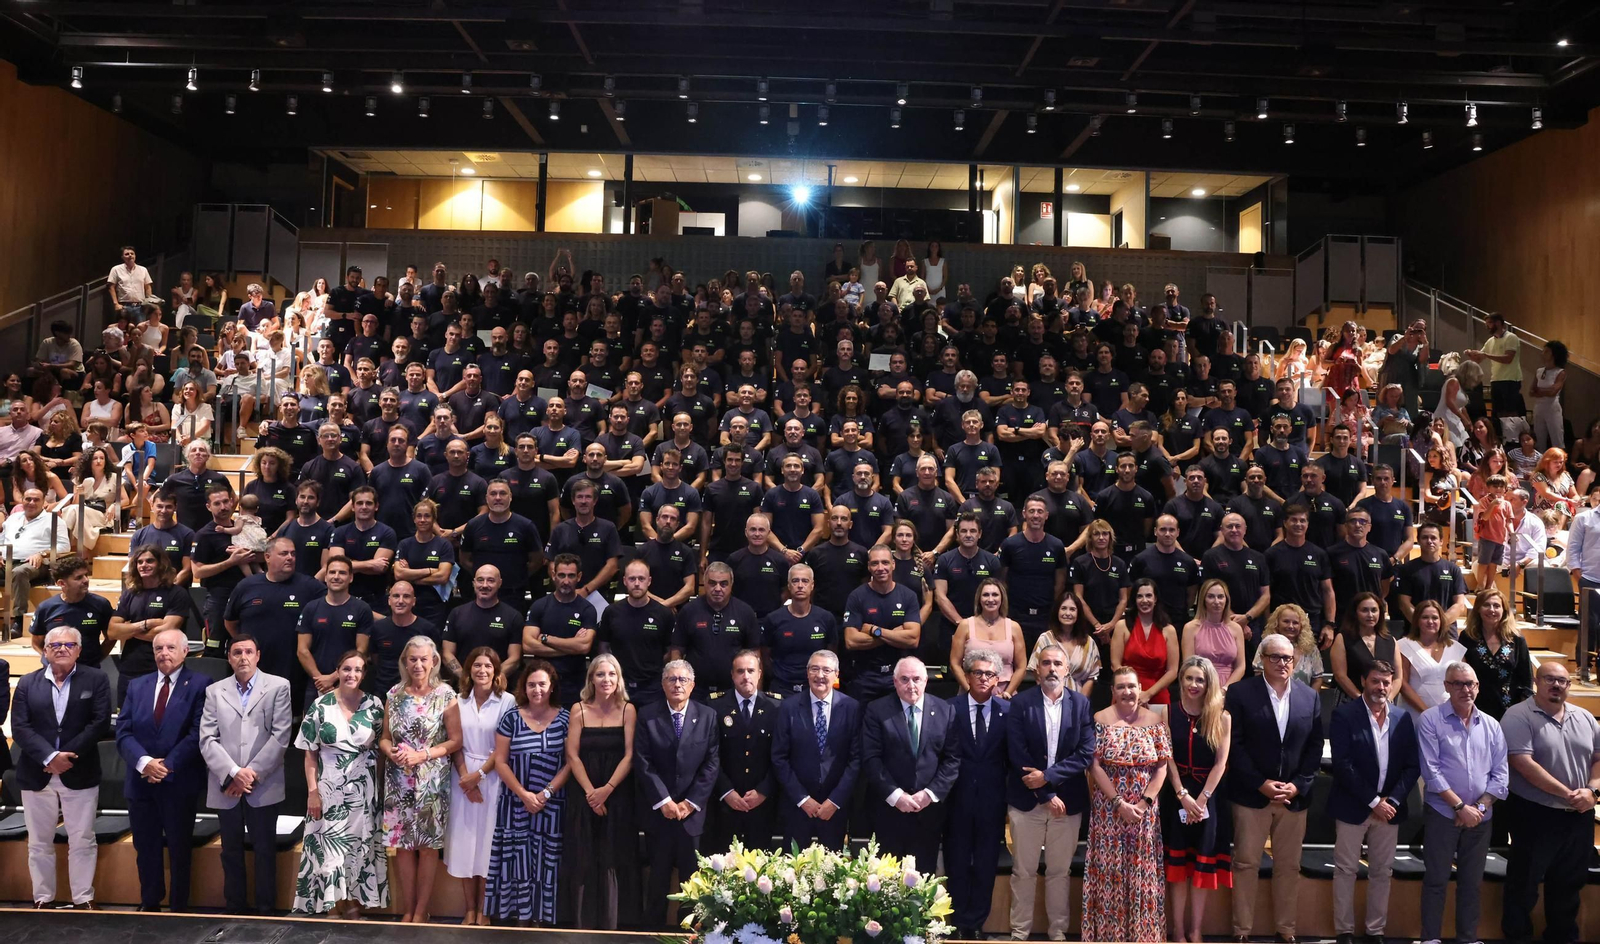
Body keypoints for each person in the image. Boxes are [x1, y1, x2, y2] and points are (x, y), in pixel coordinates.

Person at [1225, 633, 1324, 943]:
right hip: (1251, 795)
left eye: (1288, 658)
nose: (1283, 663)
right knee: (1245, 864)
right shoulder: (1241, 694)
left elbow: (1314, 747)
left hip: (1293, 798)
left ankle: (1286, 929)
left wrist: (1297, 785)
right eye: (1275, 657)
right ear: (1261, 660)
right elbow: (1234, 746)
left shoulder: (1310, 697)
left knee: (1289, 866)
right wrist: (1261, 783)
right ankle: (1242, 930)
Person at [13, 626, 112, 910]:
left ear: (79, 650)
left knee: (82, 839)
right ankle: (43, 898)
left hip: (79, 770)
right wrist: (49, 757)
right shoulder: (27, 683)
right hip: (37, 772)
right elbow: (20, 727)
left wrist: (66, 757)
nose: (61, 649)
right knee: (39, 842)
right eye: (54, 645)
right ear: (44, 651)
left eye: (69, 645)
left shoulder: (96, 679)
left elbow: (99, 722)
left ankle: (83, 899)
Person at [1500, 660, 1600, 944]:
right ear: (1536, 681)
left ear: (1569, 686)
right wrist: (1568, 793)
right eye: (1549, 679)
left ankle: (1562, 938)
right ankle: (1518, 938)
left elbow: (1598, 758)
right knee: (1524, 885)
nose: (1556, 685)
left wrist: (1592, 792)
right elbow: (1522, 762)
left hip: (1579, 815)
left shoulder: (1585, 717)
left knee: (1569, 885)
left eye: (1562, 681)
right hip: (1535, 814)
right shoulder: (1518, 715)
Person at [1005, 643, 1097, 941]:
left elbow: (1085, 753)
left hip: (1067, 803)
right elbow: (1016, 753)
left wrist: (1047, 777)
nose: (1052, 668)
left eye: (1058, 663)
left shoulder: (1080, 704)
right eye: (1046, 663)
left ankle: (1057, 934)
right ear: (1036, 669)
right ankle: (1019, 933)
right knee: (1023, 872)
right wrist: (1044, 793)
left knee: (1060, 872)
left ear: (1067, 669)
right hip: (1026, 803)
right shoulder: (1021, 704)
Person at [199, 634, 293, 915]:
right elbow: (207, 738)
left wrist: (249, 774)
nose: (243, 657)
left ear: (258, 655)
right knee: (230, 852)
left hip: (262, 785)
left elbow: (281, 736)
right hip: (225, 784)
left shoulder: (279, 686)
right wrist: (232, 774)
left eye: (248, 652)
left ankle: (266, 909)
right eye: (237, 652)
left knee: (264, 851)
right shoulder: (215, 691)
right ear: (229, 658)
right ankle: (235, 907)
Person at [1417, 661, 1509, 944]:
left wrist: (1478, 808)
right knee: (1436, 880)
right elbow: (1431, 771)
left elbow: (1501, 775)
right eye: (1457, 684)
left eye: (1470, 684)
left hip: (1480, 818)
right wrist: (1460, 807)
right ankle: (1430, 938)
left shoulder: (1492, 725)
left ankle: (1467, 938)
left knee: (1471, 884)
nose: (1464, 689)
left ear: (1478, 687)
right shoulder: (1431, 719)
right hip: (1443, 814)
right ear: (1446, 687)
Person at [1327, 659, 1419, 944]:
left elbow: (1412, 766)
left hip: (1389, 810)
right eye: (1375, 681)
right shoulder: (1344, 715)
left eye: (1386, 682)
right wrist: (1372, 801)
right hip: (1353, 805)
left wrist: (1390, 800)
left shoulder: (1402, 718)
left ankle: (1375, 931)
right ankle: (1344, 930)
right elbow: (1342, 765)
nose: (1381, 687)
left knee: (1382, 872)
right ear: (1364, 681)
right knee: (1345, 870)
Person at [115, 628, 207, 912]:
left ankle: (179, 906)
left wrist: (166, 765)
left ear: (184, 651)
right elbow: (123, 731)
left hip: (178, 780)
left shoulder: (201, 684)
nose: (163, 654)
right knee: (146, 848)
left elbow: (197, 733)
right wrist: (144, 762)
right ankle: (149, 902)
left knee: (179, 848)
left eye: (170, 648)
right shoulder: (137, 685)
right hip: (141, 781)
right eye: (158, 649)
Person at [292, 650, 388, 918]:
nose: (352, 674)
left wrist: (376, 789)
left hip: (364, 789)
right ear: (338, 670)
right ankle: (333, 903)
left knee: (359, 847)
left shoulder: (375, 705)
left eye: (358, 670)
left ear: (364, 675)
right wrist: (313, 792)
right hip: (329, 787)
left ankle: (355, 901)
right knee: (330, 847)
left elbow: (382, 749)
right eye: (347, 669)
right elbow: (309, 753)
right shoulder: (320, 705)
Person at [1082, 665, 1172, 943]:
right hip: (1109, 811)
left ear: (1140, 689)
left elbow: (1162, 768)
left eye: (1132, 686)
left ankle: (1143, 937)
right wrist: (1118, 802)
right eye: (1120, 686)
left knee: (1141, 874)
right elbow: (1094, 766)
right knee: (1109, 873)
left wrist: (1144, 803)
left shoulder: (1155, 721)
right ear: (1112, 691)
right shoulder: (1099, 718)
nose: (1127, 692)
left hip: (1144, 813)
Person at [380, 635, 463, 923]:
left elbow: (455, 741)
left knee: (428, 848)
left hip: (432, 781)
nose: (418, 664)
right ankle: (407, 908)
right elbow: (384, 738)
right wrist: (391, 752)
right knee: (403, 847)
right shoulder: (394, 694)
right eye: (412, 658)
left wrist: (423, 755)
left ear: (434, 661)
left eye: (423, 659)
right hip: (398, 780)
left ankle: (421, 911)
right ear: (404, 661)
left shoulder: (446, 695)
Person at [634, 660, 720, 930]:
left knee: (691, 879)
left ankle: (688, 933)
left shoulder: (708, 716)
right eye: (671, 679)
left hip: (691, 814)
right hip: (660, 812)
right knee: (658, 877)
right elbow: (643, 761)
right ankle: (653, 931)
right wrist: (665, 802)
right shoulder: (647, 715)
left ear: (692, 685)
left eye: (683, 680)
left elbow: (711, 762)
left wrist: (690, 803)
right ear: (662, 684)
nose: (677, 684)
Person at [485, 659, 570, 928]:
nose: (537, 690)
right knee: (518, 863)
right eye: (531, 685)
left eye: (542, 684)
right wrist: (524, 794)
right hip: (515, 804)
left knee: (548, 863)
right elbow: (500, 761)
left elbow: (571, 762)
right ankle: (521, 918)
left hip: (552, 805)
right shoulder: (511, 718)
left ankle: (543, 918)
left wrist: (545, 793)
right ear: (524, 687)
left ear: (552, 686)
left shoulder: (567, 718)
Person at [559, 653, 640, 928]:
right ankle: (582, 924)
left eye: (611, 674)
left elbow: (630, 756)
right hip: (584, 792)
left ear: (619, 679)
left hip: (616, 793)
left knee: (613, 856)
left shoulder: (628, 709)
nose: (606, 679)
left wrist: (606, 790)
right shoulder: (578, 709)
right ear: (591, 679)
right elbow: (572, 755)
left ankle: (614, 924)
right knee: (583, 855)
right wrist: (591, 793)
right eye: (600, 674)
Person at [860, 656, 961, 865]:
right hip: (888, 811)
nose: (911, 685)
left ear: (926, 681)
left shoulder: (946, 710)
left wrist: (930, 794)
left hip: (928, 813)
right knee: (887, 882)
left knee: (923, 879)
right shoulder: (877, 710)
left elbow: (952, 759)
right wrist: (896, 796)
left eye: (916, 679)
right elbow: (871, 759)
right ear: (895, 682)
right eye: (904, 679)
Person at [442, 647, 514, 924]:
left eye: (487, 666)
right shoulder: (457, 701)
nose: (481, 671)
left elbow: (503, 747)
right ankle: (468, 909)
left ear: (496, 671)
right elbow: (454, 741)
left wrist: (479, 776)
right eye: (476, 666)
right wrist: (465, 777)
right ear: (468, 669)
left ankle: (484, 910)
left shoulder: (506, 701)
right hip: (462, 779)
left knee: (486, 845)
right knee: (464, 844)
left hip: (493, 776)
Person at [1163, 657, 1233, 943]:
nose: (1194, 685)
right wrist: (1182, 794)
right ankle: (1178, 930)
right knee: (1178, 870)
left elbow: (1221, 763)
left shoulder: (1222, 717)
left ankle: (1196, 930)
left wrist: (1201, 799)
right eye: (1189, 678)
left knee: (1201, 868)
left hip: (1208, 797)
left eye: (1200, 680)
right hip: (1176, 795)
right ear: (1181, 680)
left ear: (1209, 684)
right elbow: (1166, 758)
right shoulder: (1168, 713)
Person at [943, 647, 1010, 940]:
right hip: (955, 800)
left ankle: (976, 923)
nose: (983, 678)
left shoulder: (1008, 712)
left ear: (997, 679)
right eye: (978, 672)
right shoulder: (949, 708)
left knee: (985, 864)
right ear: (967, 676)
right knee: (956, 863)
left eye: (989, 674)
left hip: (992, 802)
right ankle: (955, 920)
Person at [771, 650, 861, 850]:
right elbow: (779, 758)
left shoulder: (851, 708)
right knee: (791, 874)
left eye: (826, 670)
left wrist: (835, 801)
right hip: (797, 807)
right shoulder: (788, 707)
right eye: (815, 669)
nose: (820, 675)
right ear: (807, 673)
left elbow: (856, 760)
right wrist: (803, 799)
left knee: (833, 875)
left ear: (837, 674)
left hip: (834, 808)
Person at [710, 650, 782, 851]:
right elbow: (711, 756)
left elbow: (780, 757)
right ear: (732, 675)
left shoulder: (777, 707)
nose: (746, 676)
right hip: (725, 803)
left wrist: (763, 791)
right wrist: (726, 791)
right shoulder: (715, 707)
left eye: (751, 670)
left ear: (760, 674)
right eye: (740, 671)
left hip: (763, 804)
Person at [2, 486, 71, 638]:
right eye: (28, 499)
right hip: (7, 561)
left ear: (43, 502)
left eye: (36, 500)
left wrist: (42, 553)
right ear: (22, 500)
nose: (31, 502)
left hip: (37, 565)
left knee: (19, 572)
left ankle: (18, 620)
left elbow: (64, 546)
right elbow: (2, 541)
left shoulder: (54, 520)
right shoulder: (13, 518)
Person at [1460, 587, 1532, 718]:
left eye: (1496, 606)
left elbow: (1526, 678)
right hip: (1475, 707)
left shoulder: (1516, 639)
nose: (1491, 609)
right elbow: (1461, 673)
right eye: (1486, 605)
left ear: (1504, 610)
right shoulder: (1467, 637)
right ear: (1478, 609)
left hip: (1510, 709)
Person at [949, 577, 1026, 698]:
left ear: (1002, 598)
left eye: (995, 595)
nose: (990, 599)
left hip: (1004, 694)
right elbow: (955, 663)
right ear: (979, 599)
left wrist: (1007, 693)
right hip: (970, 693)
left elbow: (1021, 667)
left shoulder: (1014, 627)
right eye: (986, 595)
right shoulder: (965, 625)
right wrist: (970, 691)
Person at [1111, 578, 1180, 707]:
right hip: (1126, 693)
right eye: (1139, 596)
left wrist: (1148, 694)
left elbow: (1173, 671)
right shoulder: (1122, 626)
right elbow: (1115, 663)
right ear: (1134, 600)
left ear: (1155, 599)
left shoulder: (1169, 630)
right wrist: (1132, 690)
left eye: (1149, 596)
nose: (1144, 600)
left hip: (1157, 693)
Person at [1399, 599, 1467, 719]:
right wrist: (1427, 712)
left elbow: (1465, 681)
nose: (1430, 621)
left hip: (1450, 715)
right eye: (1425, 617)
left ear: (1441, 621)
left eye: (1435, 618)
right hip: (1415, 714)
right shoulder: (1404, 645)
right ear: (1417, 621)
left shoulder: (1455, 647)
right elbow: (1403, 684)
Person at [1331, 592, 1404, 703]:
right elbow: (1340, 675)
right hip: (1351, 701)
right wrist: (1362, 701)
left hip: (1384, 703)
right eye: (1364, 610)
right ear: (1355, 613)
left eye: (1374, 610)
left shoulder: (1390, 640)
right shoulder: (1343, 638)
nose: (1370, 615)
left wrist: (1388, 700)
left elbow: (1398, 677)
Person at [1182, 579, 1246, 690]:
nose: (1216, 601)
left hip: (1228, 687)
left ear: (1226, 600)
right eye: (1211, 597)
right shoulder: (1190, 628)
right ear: (1203, 600)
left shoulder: (1236, 629)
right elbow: (1188, 665)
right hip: (1199, 687)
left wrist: (1225, 689)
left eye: (1220, 597)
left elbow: (1241, 666)